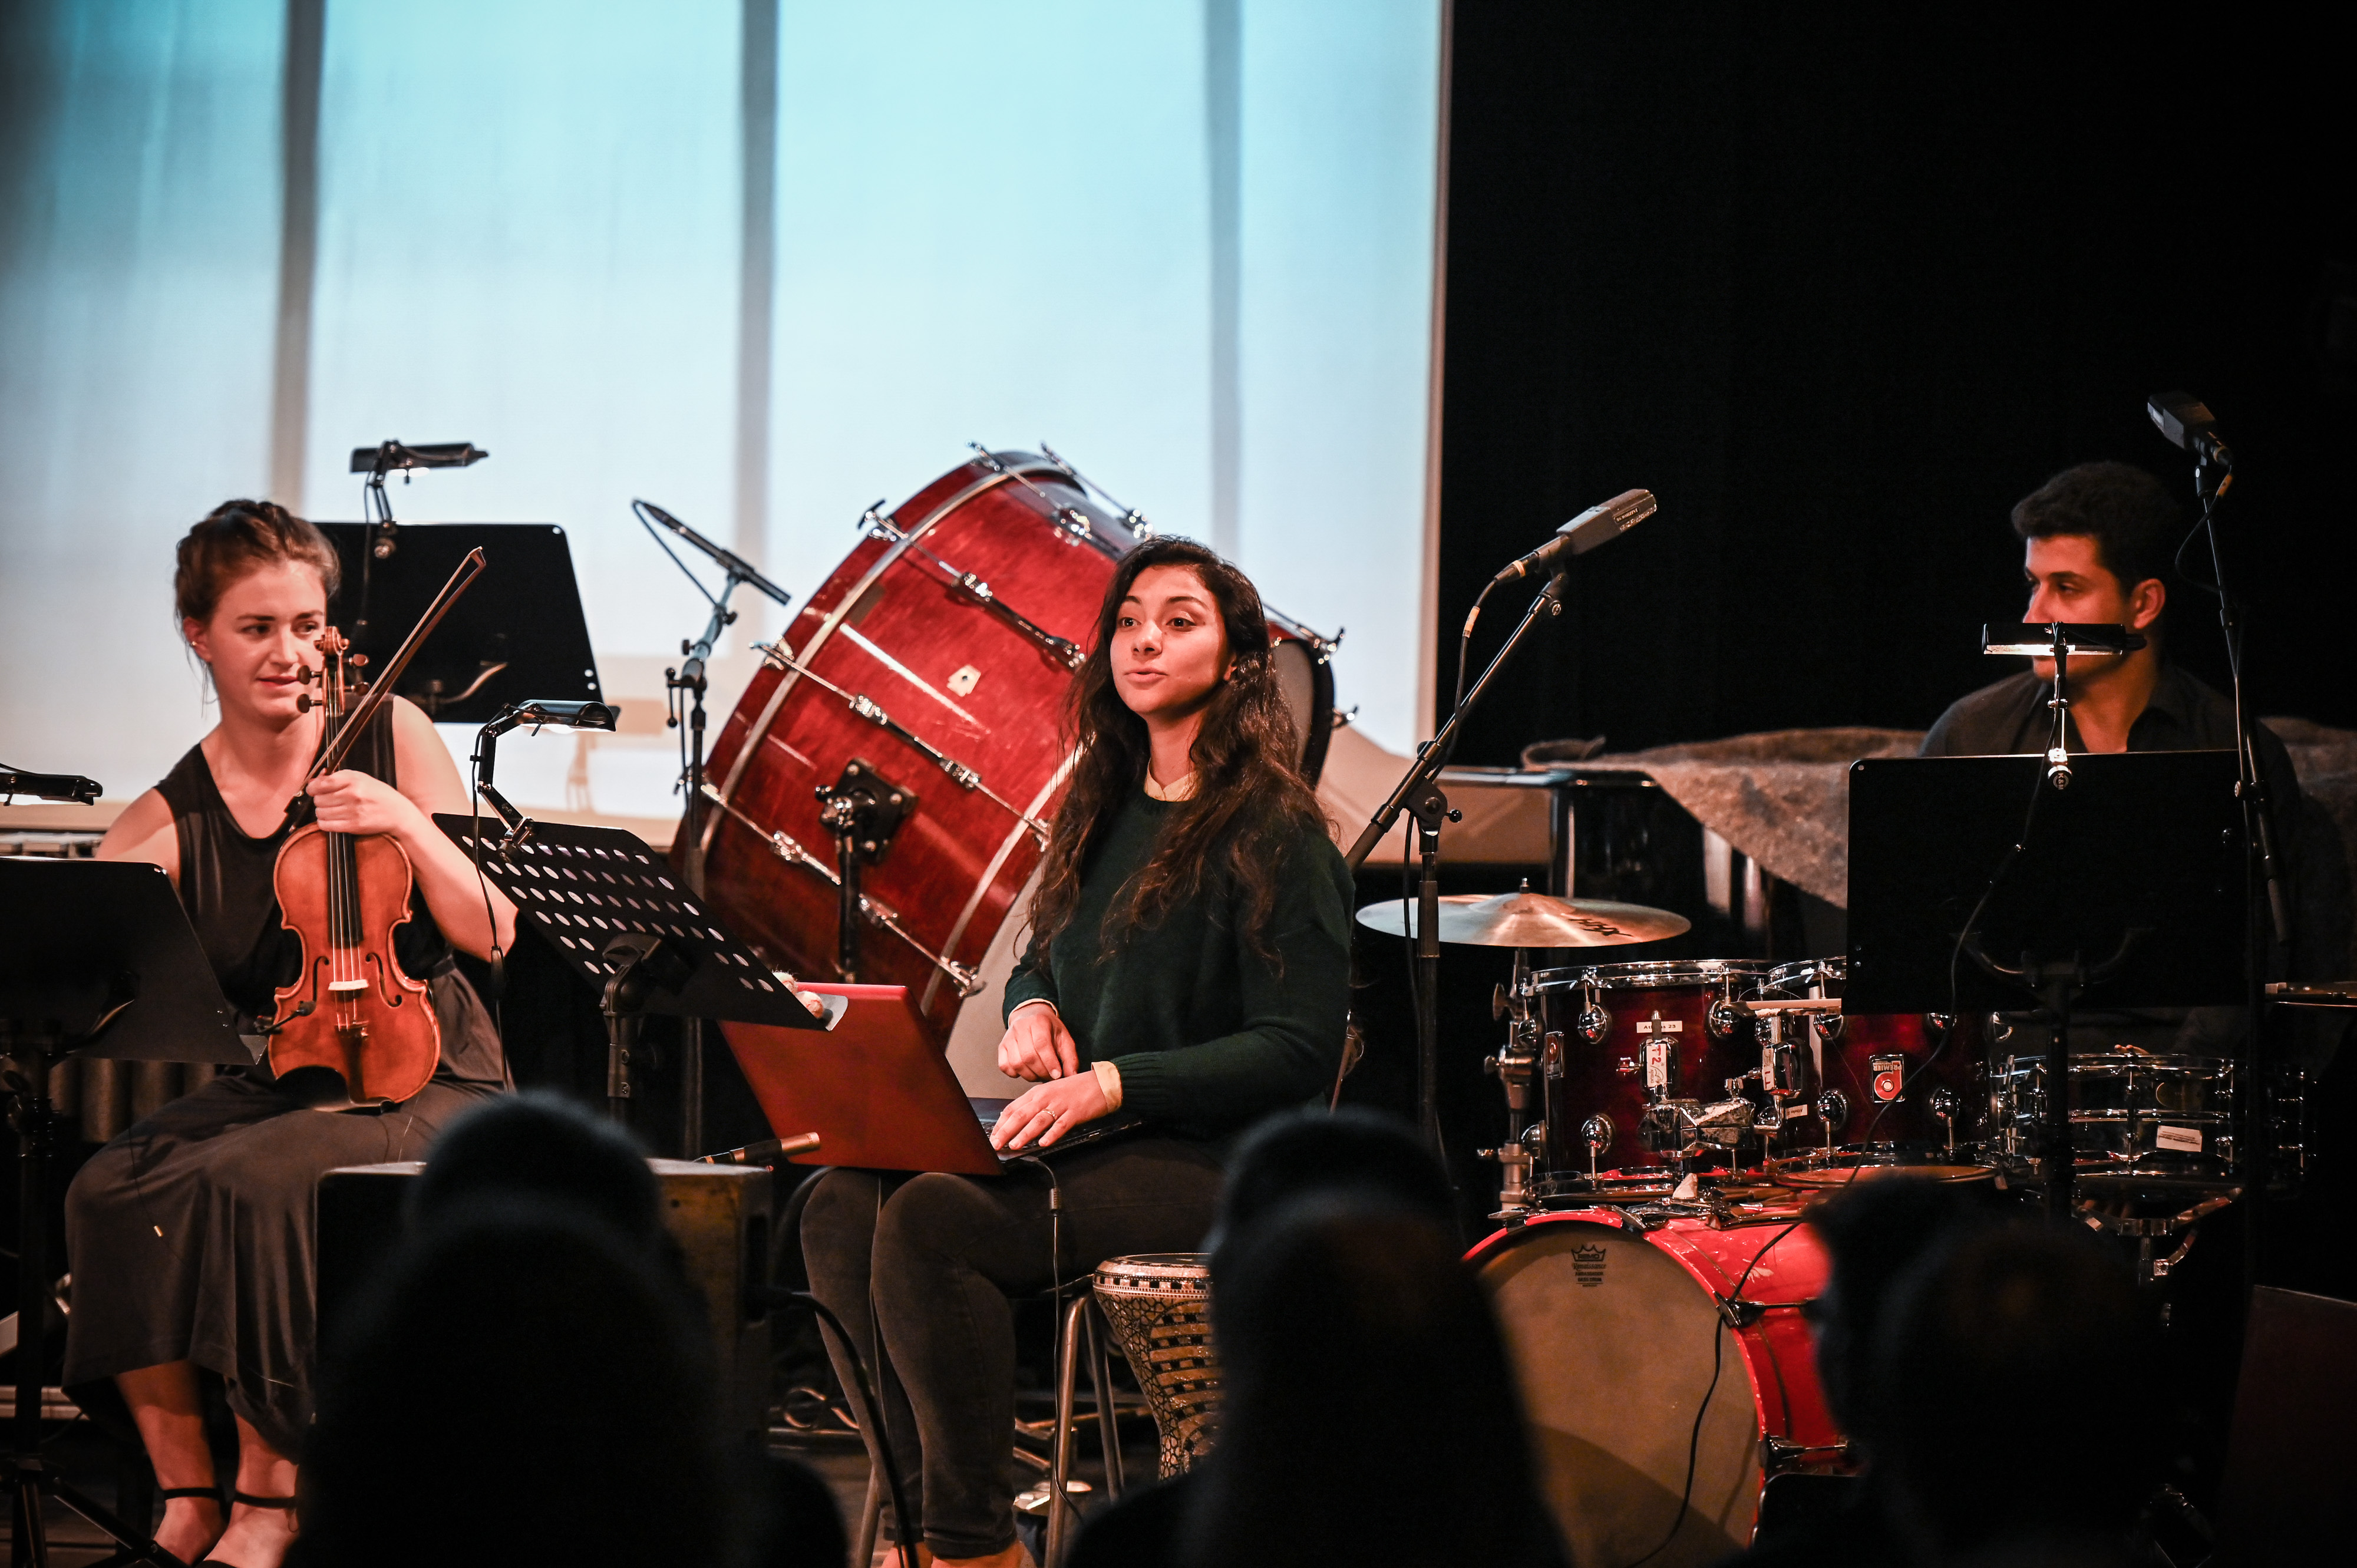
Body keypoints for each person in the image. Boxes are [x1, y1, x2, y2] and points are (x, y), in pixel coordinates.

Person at [800, 537, 1355, 1567]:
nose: (1143, 640)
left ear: (1239, 660)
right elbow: (1040, 956)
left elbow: (1300, 1046)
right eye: (1129, 620)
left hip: (1210, 1161)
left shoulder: (1278, 829)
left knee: (931, 1221)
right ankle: (918, 1530)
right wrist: (1031, 1008)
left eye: (1179, 622)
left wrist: (1114, 1080)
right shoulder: (1101, 802)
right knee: (840, 1199)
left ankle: (976, 1547)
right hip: (1094, 1137)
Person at [65, 500, 517, 1568]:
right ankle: (186, 1494)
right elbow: (86, 948)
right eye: (257, 627)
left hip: (430, 1074)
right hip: (292, 1075)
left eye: (308, 625)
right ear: (199, 635)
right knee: (107, 1188)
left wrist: (405, 822)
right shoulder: (173, 814)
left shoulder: (394, 731)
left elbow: (493, 930)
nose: (291, 654)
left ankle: (273, 1499)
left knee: (265, 1181)